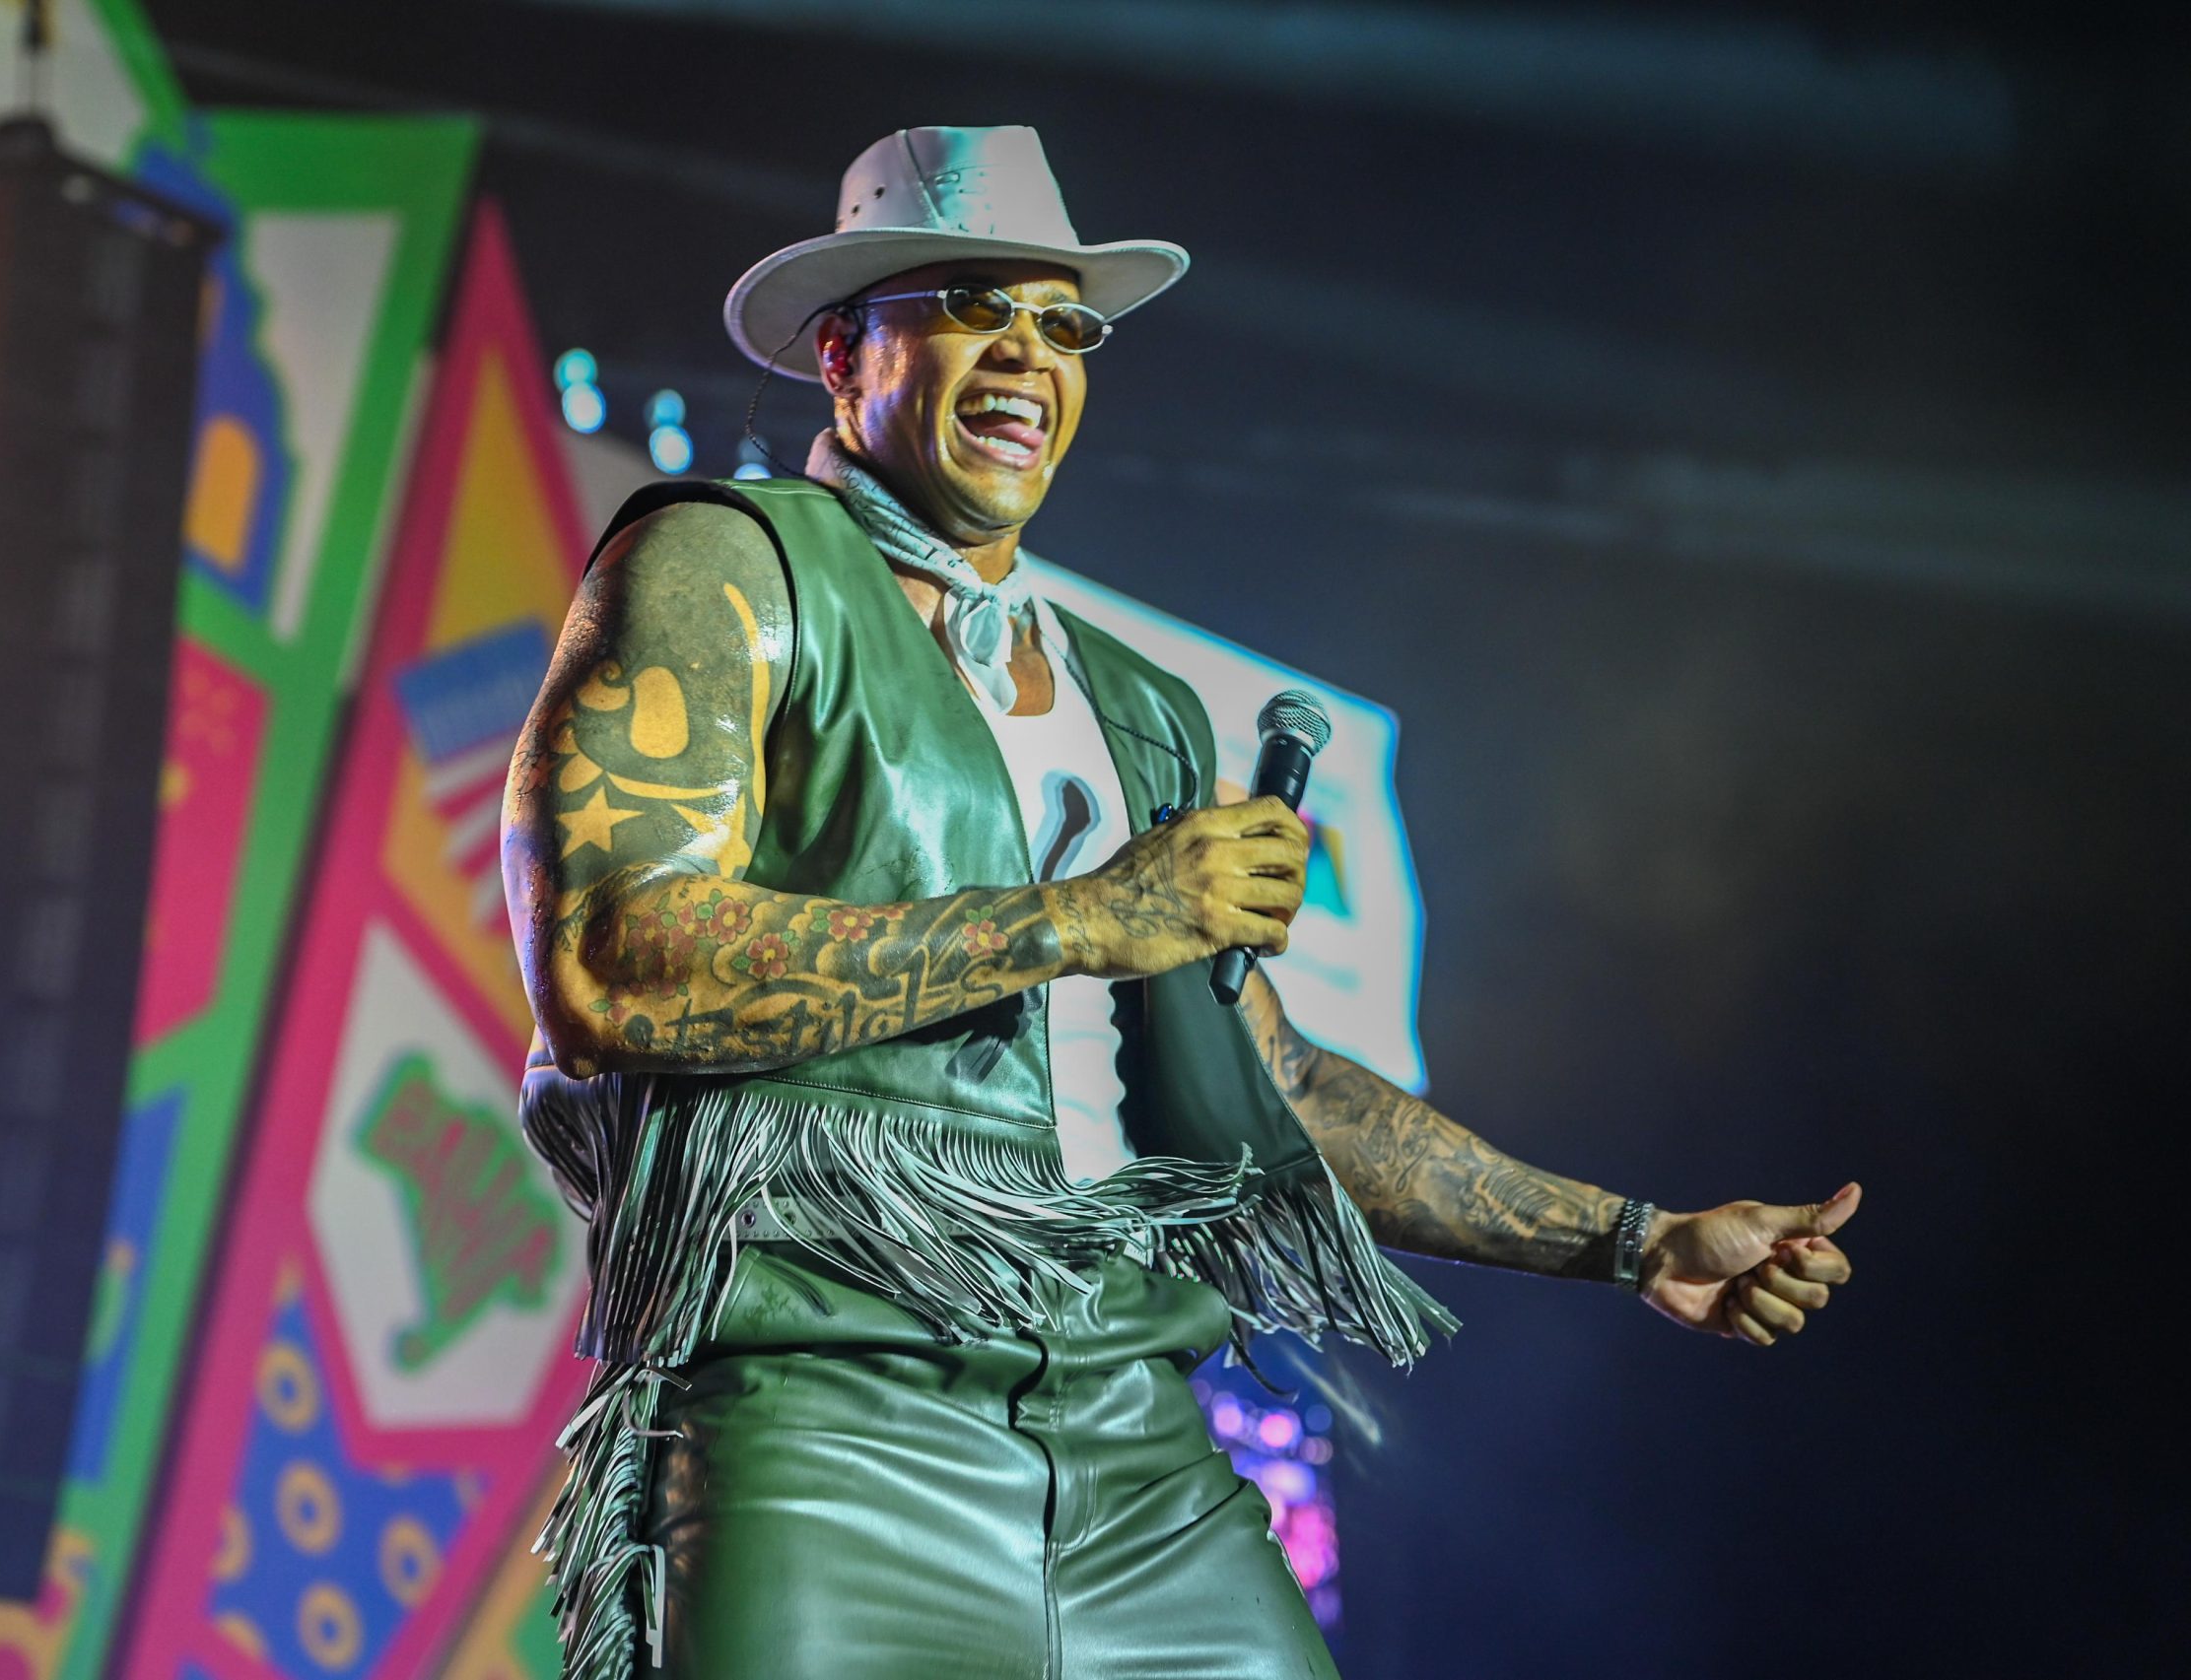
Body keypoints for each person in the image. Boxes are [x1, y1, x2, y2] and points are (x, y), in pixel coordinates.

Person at [504, 125, 1861, 1680]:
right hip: (824, 1418)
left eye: (1064, 325)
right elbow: (609, 959)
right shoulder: (726, 565)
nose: (1028, 354)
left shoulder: (1134, 704)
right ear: (842, 350)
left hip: (1138, 1452)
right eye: (972, 306)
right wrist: (1081, 919)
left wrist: (1636, 1239)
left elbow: (1278, 1086)